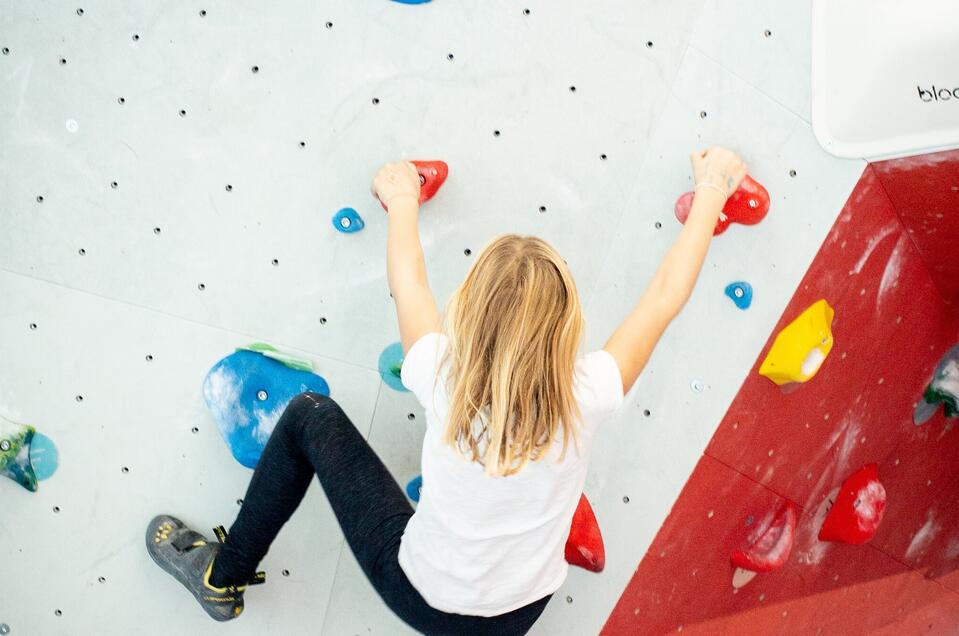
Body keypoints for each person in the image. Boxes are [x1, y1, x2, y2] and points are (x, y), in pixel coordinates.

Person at [145, 147, 747, 635]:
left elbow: (409, 287)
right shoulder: (588, 393)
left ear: (470, 310)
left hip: (422, 599)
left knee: (308, 415)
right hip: (520, 615)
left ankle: (221, 579)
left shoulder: (440, 371)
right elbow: (665, 296)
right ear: (565, 326)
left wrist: (402, 198)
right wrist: (713, 190)